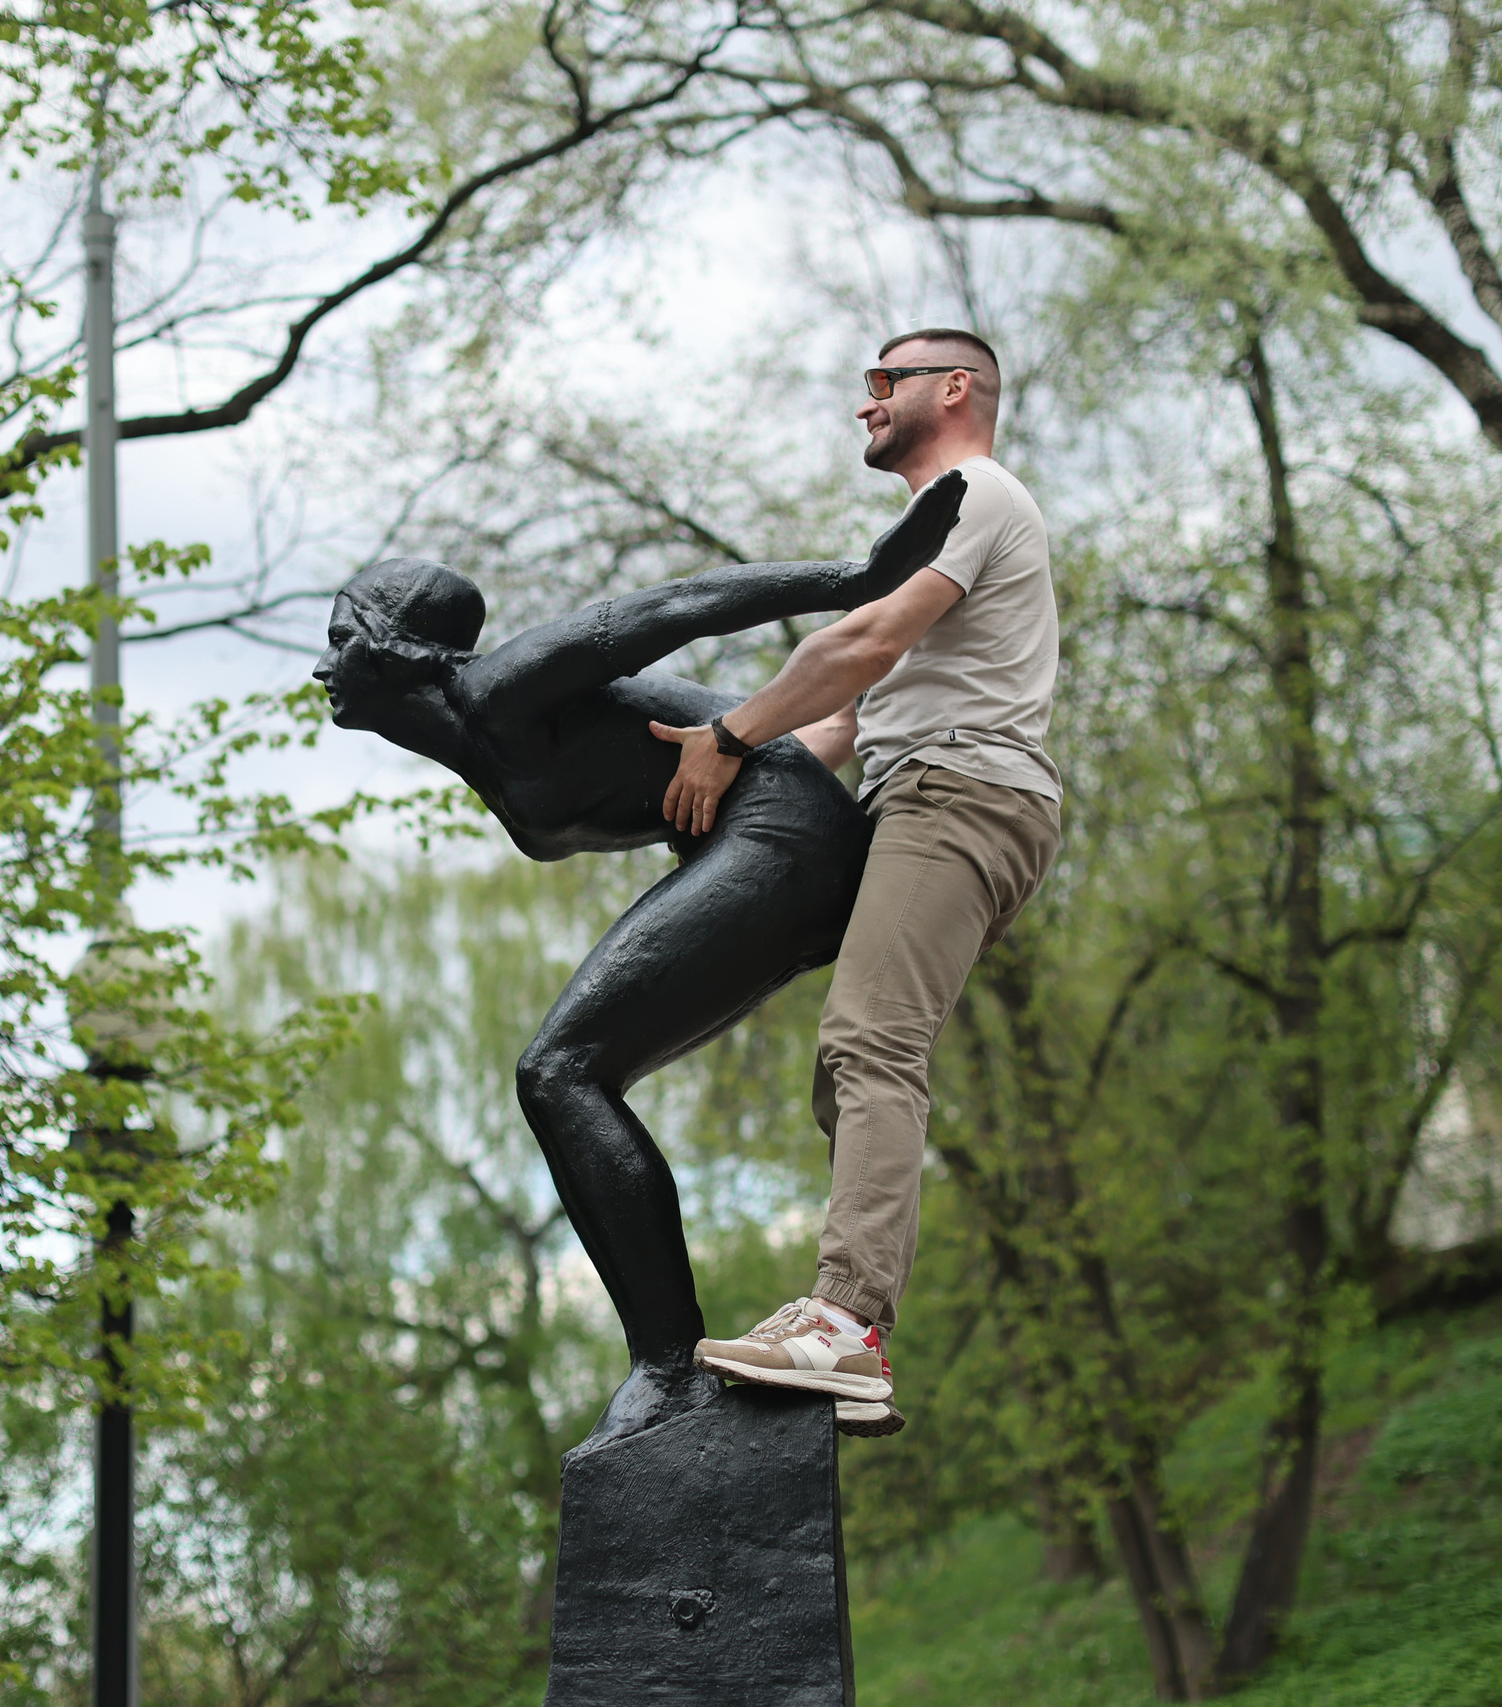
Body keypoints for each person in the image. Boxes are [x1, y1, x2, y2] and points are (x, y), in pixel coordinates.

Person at [311, 470, 966, 1451]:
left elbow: (673, 606)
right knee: (567, 1074)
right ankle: (667, 1368)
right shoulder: (480, 746)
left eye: (338, 635)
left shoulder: (504, 688)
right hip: (763, 849)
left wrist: (859, 575)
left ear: (390, 647)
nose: (322, 666)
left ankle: (667, 1368)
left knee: (559, 1070)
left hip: (784, 835)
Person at [663, 329, 1062, 1438]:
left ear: (954, 388)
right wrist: (741, 777)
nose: (865, 403)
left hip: (961, 794)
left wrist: (730, 735)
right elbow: (855, 708)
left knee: (873, 1046)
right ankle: (849, 1332)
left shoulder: (977, 492)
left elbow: (863, 639)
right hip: (922, 786)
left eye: (885, 383)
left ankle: (845, 1325)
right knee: (842, 1078)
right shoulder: (935, 520)